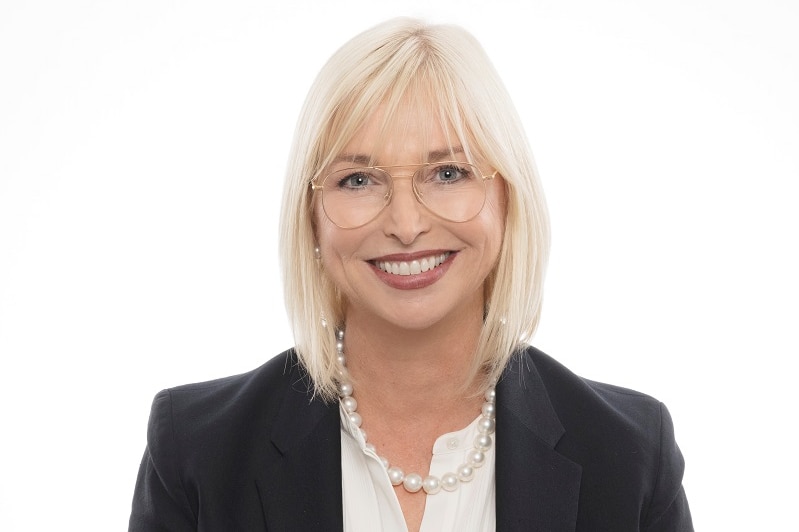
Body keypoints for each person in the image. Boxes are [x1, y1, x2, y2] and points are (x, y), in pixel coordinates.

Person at [129, 17, 693, 532]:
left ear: (507, 198)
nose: (405, 223)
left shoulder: (630, 453)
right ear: (310, 216)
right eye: (357, 180)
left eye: (448, 172)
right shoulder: (197, 450)